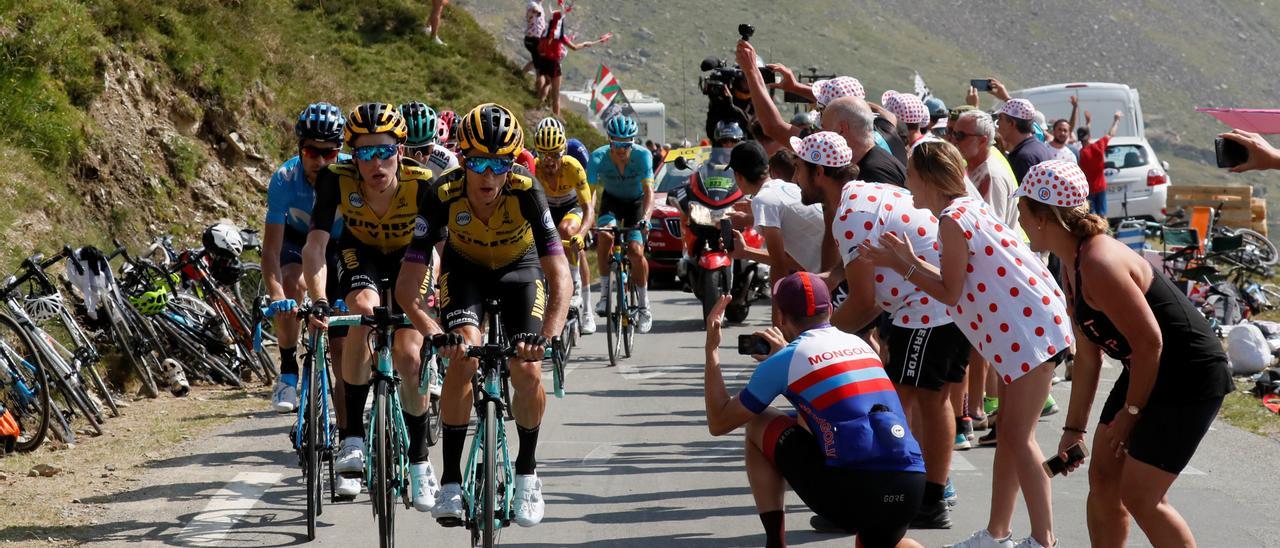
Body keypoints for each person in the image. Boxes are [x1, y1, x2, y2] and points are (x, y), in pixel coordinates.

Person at [860, 141, 1072, 548]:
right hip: (1022, 330)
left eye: (910, 176)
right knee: (1011, 436)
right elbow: (953, 275)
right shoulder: (963, 209)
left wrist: (902, 263)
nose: (906, 185)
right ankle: (997, 533)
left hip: (1026, 334)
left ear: (927, 179)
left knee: (1018, 437)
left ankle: (1044, 540)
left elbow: (949, 291)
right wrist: (902, 259)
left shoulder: (952, 219)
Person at [1014, 160, 1232, 547]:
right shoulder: (1070, 262)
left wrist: (1130, 416)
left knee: (1142, 497)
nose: (1019, 219)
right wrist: (1073, 430)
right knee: (1103, 478)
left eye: (1022, 211)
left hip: (1188, 374)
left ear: (1044, 216)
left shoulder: (1100, 263)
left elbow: (1151, 344)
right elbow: (1088, 355)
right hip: (1148, 368)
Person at [792, 132, 964, 529]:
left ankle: (918, 499)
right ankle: (911, 495)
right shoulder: (860, 194)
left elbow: (865, 302)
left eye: (800, 169)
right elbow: (858, 263)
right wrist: (830, 277)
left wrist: (812, 345)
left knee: (908, 405)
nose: (795, 177)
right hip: (927, 305)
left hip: (929, 309)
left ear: (820, 172)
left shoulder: (849, 214)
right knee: (906, 404)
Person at [423, 103, 571, 528]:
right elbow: (412, 279)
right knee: (462, 357)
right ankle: (450, 481)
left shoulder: (527, 190)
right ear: (463, 159)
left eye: (500, 163)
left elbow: (558, 270)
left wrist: (550, 334)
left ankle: (527, 472)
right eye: (479, 163)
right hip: (464, 270)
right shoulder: (443, 192)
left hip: (518, 270)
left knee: (527, 370)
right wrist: (435, 332)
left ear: (512, 163)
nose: (489, 175)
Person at [701, 272, 927, 548]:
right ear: (830, 309)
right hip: (910, 487)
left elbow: (719, 422)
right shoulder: (862, 345)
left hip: (857, 492)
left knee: (758, 420)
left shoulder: (786, 360)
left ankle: (775, 542)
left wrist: (711, 350)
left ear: (781, 317)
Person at [303, 102, 444, 512]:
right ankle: (351, 438)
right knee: (363, 311)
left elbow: (438, 249)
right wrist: (318, 299)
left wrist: (431, 302)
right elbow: (316, 245)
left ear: (400, 151)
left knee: (408, 355)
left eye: (384, 151)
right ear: (353, 156)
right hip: (359, 254)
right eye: (364, 153)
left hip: (410, 258)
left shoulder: (423, 184)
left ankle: (419, 462)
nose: (375, 162)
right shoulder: (336, 179)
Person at [264, 102, 349, 416]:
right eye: (313, 152)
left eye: (330, 154)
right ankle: (288, 370)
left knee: (343, 350)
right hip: (297, 240)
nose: (322, 161)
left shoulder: (351, 174)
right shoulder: (285, 179)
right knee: (291, 286)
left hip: (340, 245)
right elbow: (271, 250)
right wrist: (277, 297)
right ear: (300, 149)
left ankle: (348, 433)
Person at [587, 114, 655, 333]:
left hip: (636, 204)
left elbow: (649, 192)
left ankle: (644, 306)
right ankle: (605, 295)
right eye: (616, 143)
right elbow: (589, 194)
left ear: (632, 142)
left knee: (636, 251)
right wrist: (588, 220)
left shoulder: (643, 156)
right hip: (612, 202)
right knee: (605, 236)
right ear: (609, 140)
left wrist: (646, 218)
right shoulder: (597, 157)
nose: (621, 149)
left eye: (626, 145)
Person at [532, 117, 597, 335]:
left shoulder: (574, 163)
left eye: (555, 154)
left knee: (568, 232)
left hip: (572, 205)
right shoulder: (534, 167)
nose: (549, 161)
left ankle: (583, 299)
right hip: (548, 206)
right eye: (543, 154)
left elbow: (588, 207)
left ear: (563, 151)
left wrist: (583, 232)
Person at [726, 141, 825, 276]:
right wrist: (745, 251)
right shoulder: (785, 187)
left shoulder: (763, 200)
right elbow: (796, 262)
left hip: (832, 277)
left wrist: (777, 296)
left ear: (738, 176)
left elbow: (779, 265)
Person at [534, 8, 611, 116]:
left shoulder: (544, 33)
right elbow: (574, 47)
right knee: (556, 94)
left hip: (543, 61)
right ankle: (556, 117)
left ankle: (538, 106)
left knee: (547, 83)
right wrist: (585, 44)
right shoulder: (560, 36)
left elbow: (538, 47)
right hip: (554, 64)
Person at [821, 97, 907, 187]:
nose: (821, 134)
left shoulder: (872, 175)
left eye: (824, 128)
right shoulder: (874, 158)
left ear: (841, 129)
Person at [997, 98, 1056, 183]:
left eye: (1000, 119)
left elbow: (1023, 196)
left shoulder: (1024, 157)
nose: (998, 123)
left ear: (1012, 123)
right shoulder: (1039, 147)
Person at [1077, 110, 1124, 217]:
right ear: (1089, 136)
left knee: (1090, 216)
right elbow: (1111, 133)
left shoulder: (1079, 154)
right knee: (1102, 216)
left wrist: (1088, 124)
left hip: (1087, 190)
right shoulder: (1098, 147)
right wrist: (1116, 120)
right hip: (1100, 188)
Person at [399, 102, 459, 176]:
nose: (418, 158)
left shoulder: (448, 162)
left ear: (435, 143)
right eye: (409, 150)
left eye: (425, 150)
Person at [1047, 96, 1080, 163]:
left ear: (1069, 133)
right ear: (1053, 131)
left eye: (1065, 131)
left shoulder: (1071, 155)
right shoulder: (1044, 150)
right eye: (1059, 129)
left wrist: (1075, 107)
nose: (1062, 133)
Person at [521, 0, 547, 75]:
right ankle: (539, 82)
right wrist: (537, 12)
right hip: (533, 38)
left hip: (537, 38)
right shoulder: (532, 3)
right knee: (539, 63)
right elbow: (534, 9)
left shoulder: (541, 6)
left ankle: (521, 74)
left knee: (537, 60)